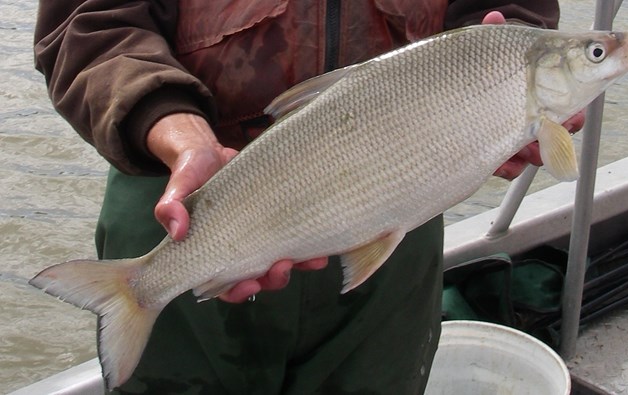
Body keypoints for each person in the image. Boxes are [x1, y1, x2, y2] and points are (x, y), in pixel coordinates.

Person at [34, 1, 583, 394]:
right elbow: (88, 24)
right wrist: (178, 134)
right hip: (186, 192)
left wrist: (503, 76)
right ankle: (139, 288)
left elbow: (511, 9)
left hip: (403, 193)